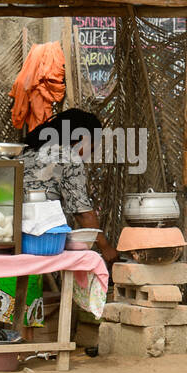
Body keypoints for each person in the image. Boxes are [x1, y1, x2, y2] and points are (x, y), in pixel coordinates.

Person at [20, 108, 118, 265]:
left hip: (11, 231)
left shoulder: (28, 150)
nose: (87, 156)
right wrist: (106, 248)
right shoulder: (69, 158)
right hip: (38, 239)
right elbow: (82, 213)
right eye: (90, 149)